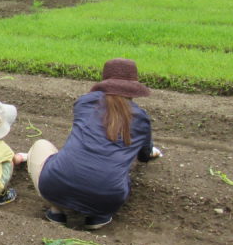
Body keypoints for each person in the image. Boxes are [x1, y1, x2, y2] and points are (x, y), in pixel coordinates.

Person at [27, 58, 162, 230]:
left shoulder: (84, 103)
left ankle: (56, 210)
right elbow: (144, 156)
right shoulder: (141, 119)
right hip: (107, 198)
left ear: (104, 81)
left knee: (40, 145)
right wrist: (149, 152)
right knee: (116, 174)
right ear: (133, 88)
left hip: (56, 186)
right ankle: (98, 217)